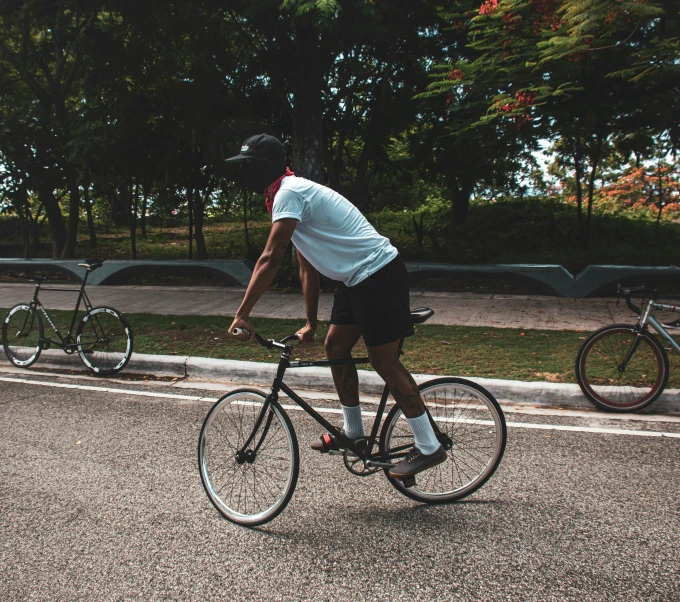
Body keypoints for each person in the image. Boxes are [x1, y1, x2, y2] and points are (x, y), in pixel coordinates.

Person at [226, 133, 446, 479]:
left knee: (383, 361)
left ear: (262, 168)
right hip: (354, 281)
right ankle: (354, 434)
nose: (242, 175)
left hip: (378, 274)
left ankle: (430, 447)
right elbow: (306, 266)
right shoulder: (285, 196)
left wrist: (242, 314)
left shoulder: (289, 192)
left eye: (247, 167)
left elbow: (271, 257)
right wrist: (311, 322)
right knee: (335, 346)